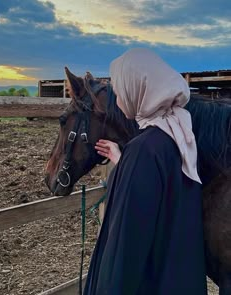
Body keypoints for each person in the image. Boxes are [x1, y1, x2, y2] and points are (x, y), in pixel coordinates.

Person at [84, 48, 207, 295]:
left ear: (138, 90)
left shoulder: (143, 150)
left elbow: (125, 248)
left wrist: (130, 160)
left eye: (120, 91)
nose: (118, 99)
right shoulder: (180, 135)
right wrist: (124, 162)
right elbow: (162, 194)